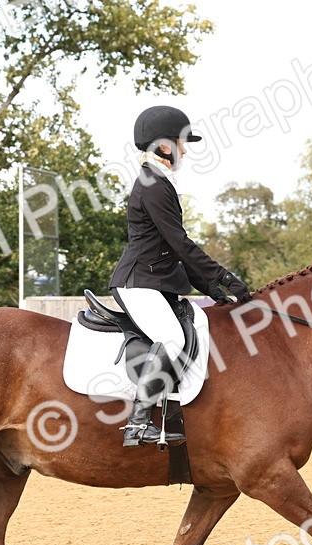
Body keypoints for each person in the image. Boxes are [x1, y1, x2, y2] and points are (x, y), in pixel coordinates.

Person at [108, 105, 252, 447]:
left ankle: (165, 416)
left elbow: (174, 251)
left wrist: (211, 289)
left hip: (154, 282)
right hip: (139, 283)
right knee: (172, 339)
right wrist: (224, 277)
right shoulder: (153, 184)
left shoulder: (157, 182)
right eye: (181, 142)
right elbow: (181, 243)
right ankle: (138, 423)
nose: (184, 149)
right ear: (163, 146)